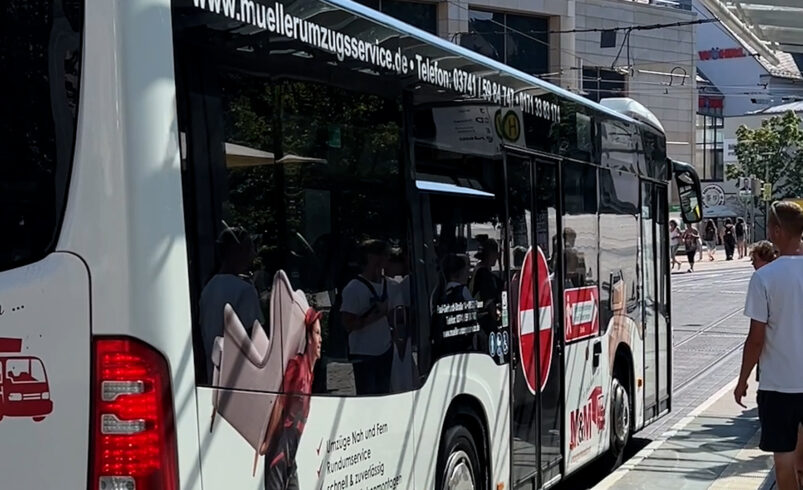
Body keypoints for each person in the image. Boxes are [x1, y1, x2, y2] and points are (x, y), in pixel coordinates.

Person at [734, 201, 803, 490]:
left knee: (784, 460)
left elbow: (756, 338)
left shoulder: (764, 278)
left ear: (775, 231)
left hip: (779, 386)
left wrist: (742, 380)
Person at [262, 308, 323, 490]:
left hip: (289, 456)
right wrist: (267, 442)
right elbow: (279, 403)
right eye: (317, 334)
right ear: (309, 338)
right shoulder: (297, 367)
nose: (320, 340)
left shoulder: (310, 373)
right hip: (279, 454)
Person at [200, 226, 264, 382]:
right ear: (238, 252)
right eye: (249, 249)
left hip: (214, 378)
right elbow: (255, 339)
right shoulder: (245, 290)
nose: (253, 255)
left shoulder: (209, 287)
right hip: (240, 380)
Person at [340, 239, 394, 395]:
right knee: (368, 397)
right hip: (364, 354)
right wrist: (379, 314)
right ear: (372, 257)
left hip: (385, 350)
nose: (388, 260)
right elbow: (348, 324)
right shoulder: (353, 288)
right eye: (385, 255)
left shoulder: (389, 284)